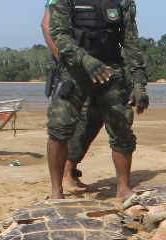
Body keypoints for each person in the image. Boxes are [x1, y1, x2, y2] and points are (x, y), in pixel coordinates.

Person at [46, 0, 149, 200]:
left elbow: (131, 41)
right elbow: (59, 34)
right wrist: (85, 60)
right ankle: (56, 191)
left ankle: (123, 189)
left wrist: (139, 84)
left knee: (122, 130)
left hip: (110, 70)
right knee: (59, 128)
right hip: (74, 71)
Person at [41, 1, 104, 193]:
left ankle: (71, 167)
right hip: (70, 67)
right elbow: (46, 24)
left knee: (95, 117)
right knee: (64, 123)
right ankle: (64, 177)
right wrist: (62, 57)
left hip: (97, 66)